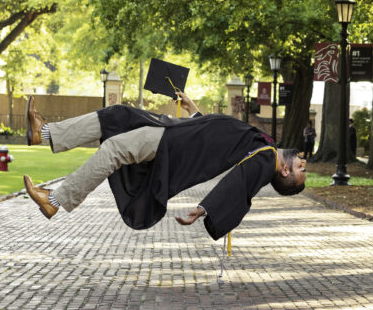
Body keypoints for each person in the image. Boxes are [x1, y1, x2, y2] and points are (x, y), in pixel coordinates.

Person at [23, 93, 306, 240]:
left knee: (113, 150)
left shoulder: (265, 160)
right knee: (116, 114)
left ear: (284, 171)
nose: (304, 164)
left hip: (173, 144)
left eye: (301, 170)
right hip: (176, 130)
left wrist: (205, 208)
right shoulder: (264, 146)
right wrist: (194, 110)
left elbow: (240, 185)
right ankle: (44, 133)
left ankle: (55, 200)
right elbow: (217, 137)